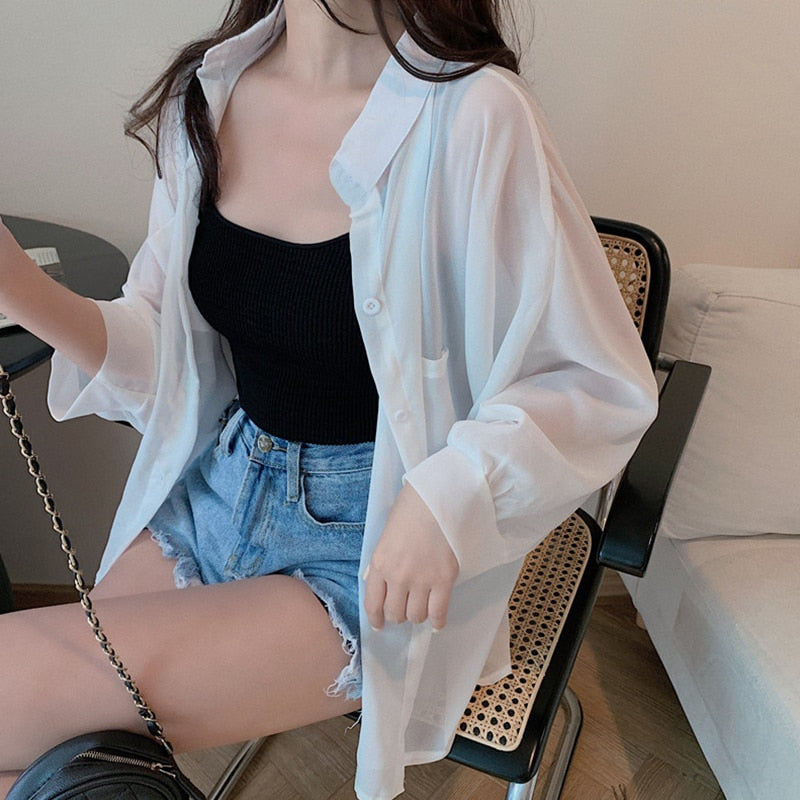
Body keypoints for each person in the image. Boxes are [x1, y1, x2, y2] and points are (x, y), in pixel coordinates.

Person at [0, 1, 658, 797]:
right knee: (37, 761)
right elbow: (166, 353)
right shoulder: (204, 95)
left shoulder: (475, 113)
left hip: (372, 541)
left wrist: (445, 496)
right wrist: (20, 286)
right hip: (219, 492)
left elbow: (594, 381)